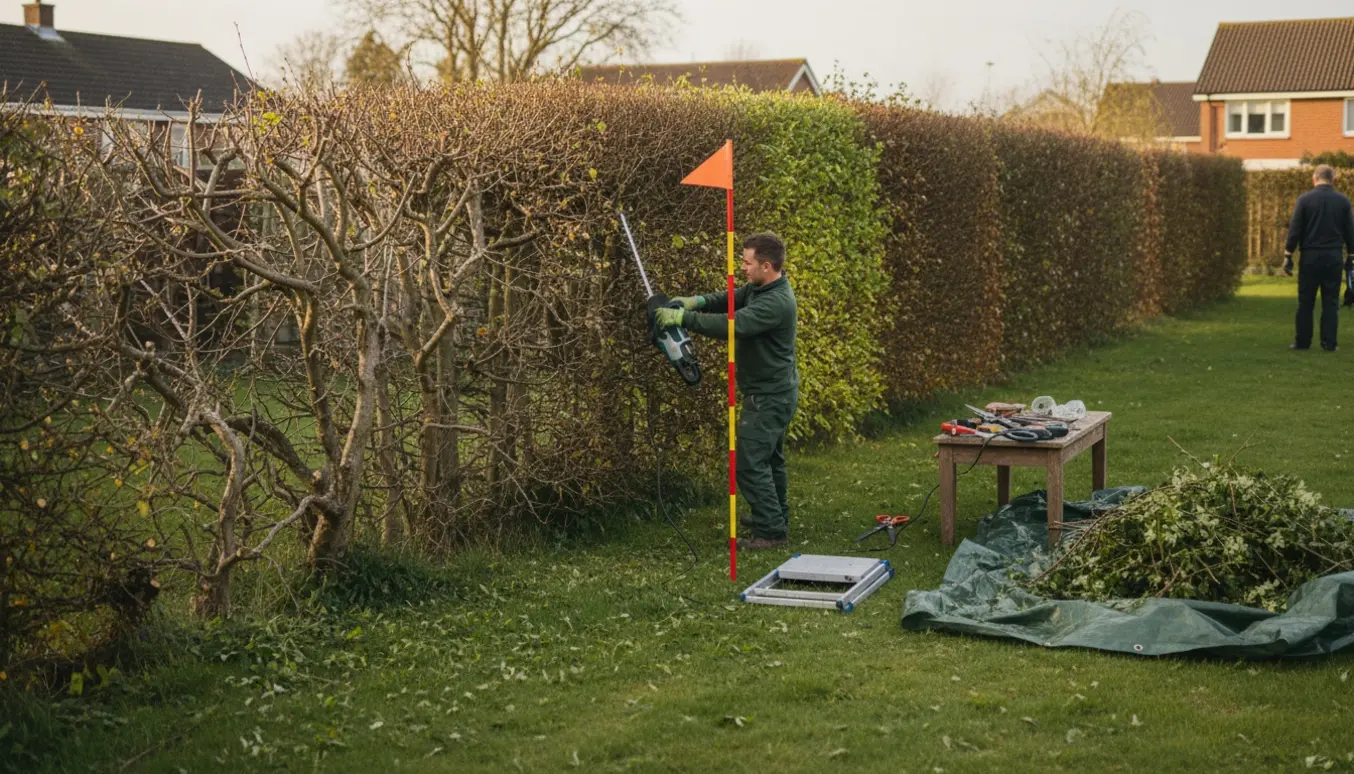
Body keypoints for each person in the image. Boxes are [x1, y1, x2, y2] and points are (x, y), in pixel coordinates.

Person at [655, 233, 799, 551]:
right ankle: (773, 516)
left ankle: (772, 532)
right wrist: (697, 301)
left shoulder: (775, 303)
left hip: (771, 396)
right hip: (773, 391)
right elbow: (731, 297)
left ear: (766, 265)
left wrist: (683, 318)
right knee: (770, 459)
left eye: (747, 263)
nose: (742, 268)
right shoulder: (762, 287)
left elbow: (732, 324)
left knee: (749, 461)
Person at [1283, 164, 1354, 352]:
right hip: (1333, 256)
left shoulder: (1304, 200)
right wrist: (1351, 256)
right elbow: (1350, 232)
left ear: (1314, 179)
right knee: (1331, 301)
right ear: (1333, 180)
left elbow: (1295, 229)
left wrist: (1288, 254)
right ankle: (1329, 343)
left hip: (1310, 256)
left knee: (1306, 301)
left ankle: (1302, 342)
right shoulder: (1343, 201)